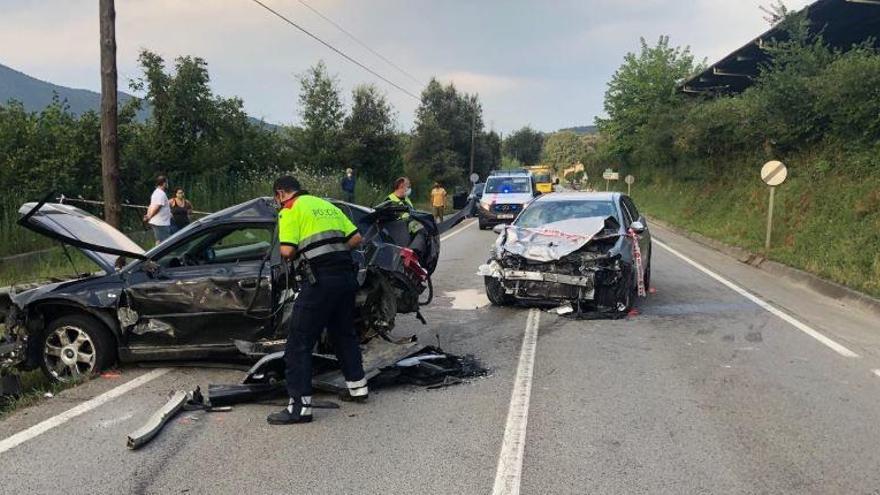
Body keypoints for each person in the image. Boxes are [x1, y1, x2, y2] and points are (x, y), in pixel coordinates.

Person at [267, 175, 367, 425]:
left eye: (276, 198)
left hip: (319, 282)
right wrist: (332, 249)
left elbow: (287, 251)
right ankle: (358, 388)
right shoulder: (327, 206)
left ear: (281, 194)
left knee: (298, 343)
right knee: (343, 333)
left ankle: (300, 408)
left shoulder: (290, 209)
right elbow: (356, 238)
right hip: (345, 278)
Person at [143, 176, 171, 244]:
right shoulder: (161, 194)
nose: (167, 184)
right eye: (167, 182)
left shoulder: (155, 192)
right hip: (161, 223)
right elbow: (157, 207)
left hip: (159, 222)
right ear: (164, 183)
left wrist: (147, 215)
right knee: (164, 243)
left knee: (159, 241)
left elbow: (151, 206)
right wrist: (149, 216)